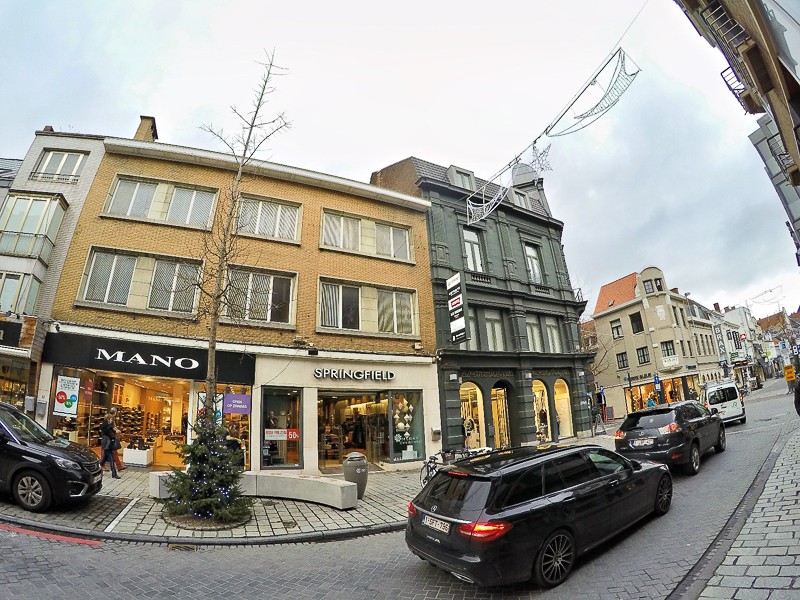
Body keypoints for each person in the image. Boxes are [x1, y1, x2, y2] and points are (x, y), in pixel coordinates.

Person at [99, 414, 120, 479]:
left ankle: (98, 467)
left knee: (104, 459)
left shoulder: (108, 425)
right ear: (108, 419)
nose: (112, 420)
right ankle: (114, 473)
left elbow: (111, 431)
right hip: (107, 443)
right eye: (111, 419)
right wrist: (115, 431)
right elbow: (109, 432)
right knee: (111, 458)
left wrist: (114, 430)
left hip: (108, 443)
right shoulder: (105, 425)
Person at [108, 407, 126, 471]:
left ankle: (119, 466)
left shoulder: (111, 418)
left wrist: (117, 430)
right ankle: (118, 466)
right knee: (108, 452)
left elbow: (113, 426)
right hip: (109, 437)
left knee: (113, 451)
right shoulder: (110, 418)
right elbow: (111, 427)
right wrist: (116, 431)